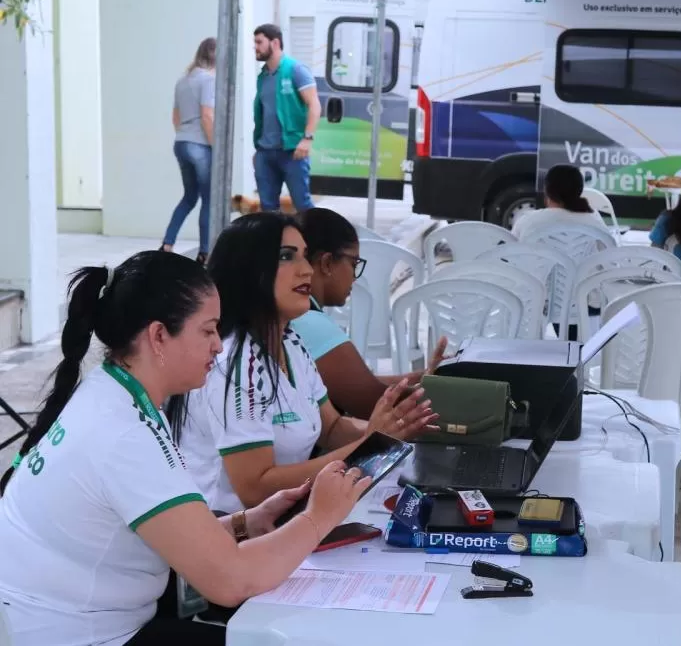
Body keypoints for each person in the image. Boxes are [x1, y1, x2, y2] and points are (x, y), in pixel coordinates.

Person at [0, 251, 373, 646]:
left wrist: (246, 522)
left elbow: (163, 530)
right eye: (208, 331)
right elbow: (231, 581)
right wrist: (319, 517)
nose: (218, 347)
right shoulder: (124, 433)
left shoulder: (114, 392)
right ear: (159, 336)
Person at [177, 213, 437, 514]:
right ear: (249, 268)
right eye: (287, 256)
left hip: (288, 518)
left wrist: (394, 431)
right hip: (234, 528)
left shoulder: (291, 343)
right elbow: (255, 489)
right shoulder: (234, 364)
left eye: (304, 256)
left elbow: (332, 428)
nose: (306, 270)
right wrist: (372, 443)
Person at [291, 207, 449, 419]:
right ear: (327, 263)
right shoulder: (311, 323)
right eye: (353, 263)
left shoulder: (296, 314)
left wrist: (425, 377)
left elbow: (361, 383)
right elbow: (372, 403)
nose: (355, 276)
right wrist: (444, 387)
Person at [252, 24, 322, 213]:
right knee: (268, 210)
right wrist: (258, 149)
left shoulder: (296, 70)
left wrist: (307, 139)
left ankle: (318, 233)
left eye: (259, 42)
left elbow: (314, 105)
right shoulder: (263, 76)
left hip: (293, 151)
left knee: (303, 205)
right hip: (265, 152)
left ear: (275, 43)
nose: (255, 47)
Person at [162, 37, 216, 264]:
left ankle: (167, 244)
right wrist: (215, 146)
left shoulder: (182, 81)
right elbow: (207, 115)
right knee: (209, 200)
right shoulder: (208, 80)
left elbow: (175, 117)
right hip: (200, 145)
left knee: (189, 197)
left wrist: (185, 135)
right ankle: (205, 252)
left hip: (181, 142)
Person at [511, 164, 610, 239]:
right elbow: (610, 255)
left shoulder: (527, 222)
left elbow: (510, 254)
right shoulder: (595, 222)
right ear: (579, 191)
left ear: (546, 191)